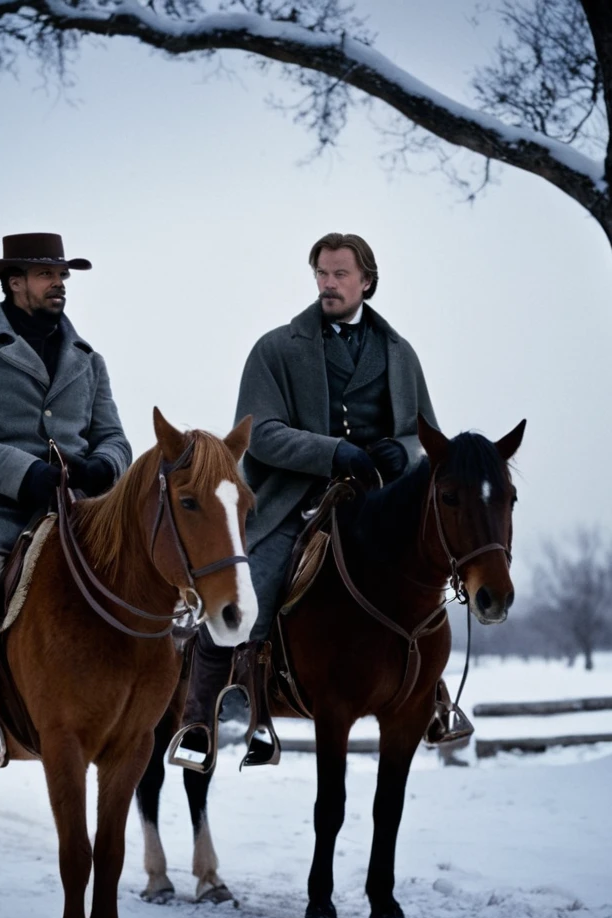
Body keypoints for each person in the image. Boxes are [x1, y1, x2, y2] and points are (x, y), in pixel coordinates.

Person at [177, 231, 439, 768]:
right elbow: (260, 433)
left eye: (341, 274)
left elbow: (427, 439)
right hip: (294, 505)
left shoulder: (399, 353)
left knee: (425, 585)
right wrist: (334, 453)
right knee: (248, 595)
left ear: (367, 280)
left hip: (377, 505)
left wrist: (400, 451)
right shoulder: (276, 348)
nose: (329, 284)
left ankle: (430, 696)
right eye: (321, 273)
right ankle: (202, 717)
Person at [0, 232, 132, 767]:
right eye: (47, 275)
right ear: (13, 281)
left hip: (81, 512)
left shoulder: (88, 359)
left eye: (63, 275)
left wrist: (103, 465)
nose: (59, 284)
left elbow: (115, 437)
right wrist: (27, 474)